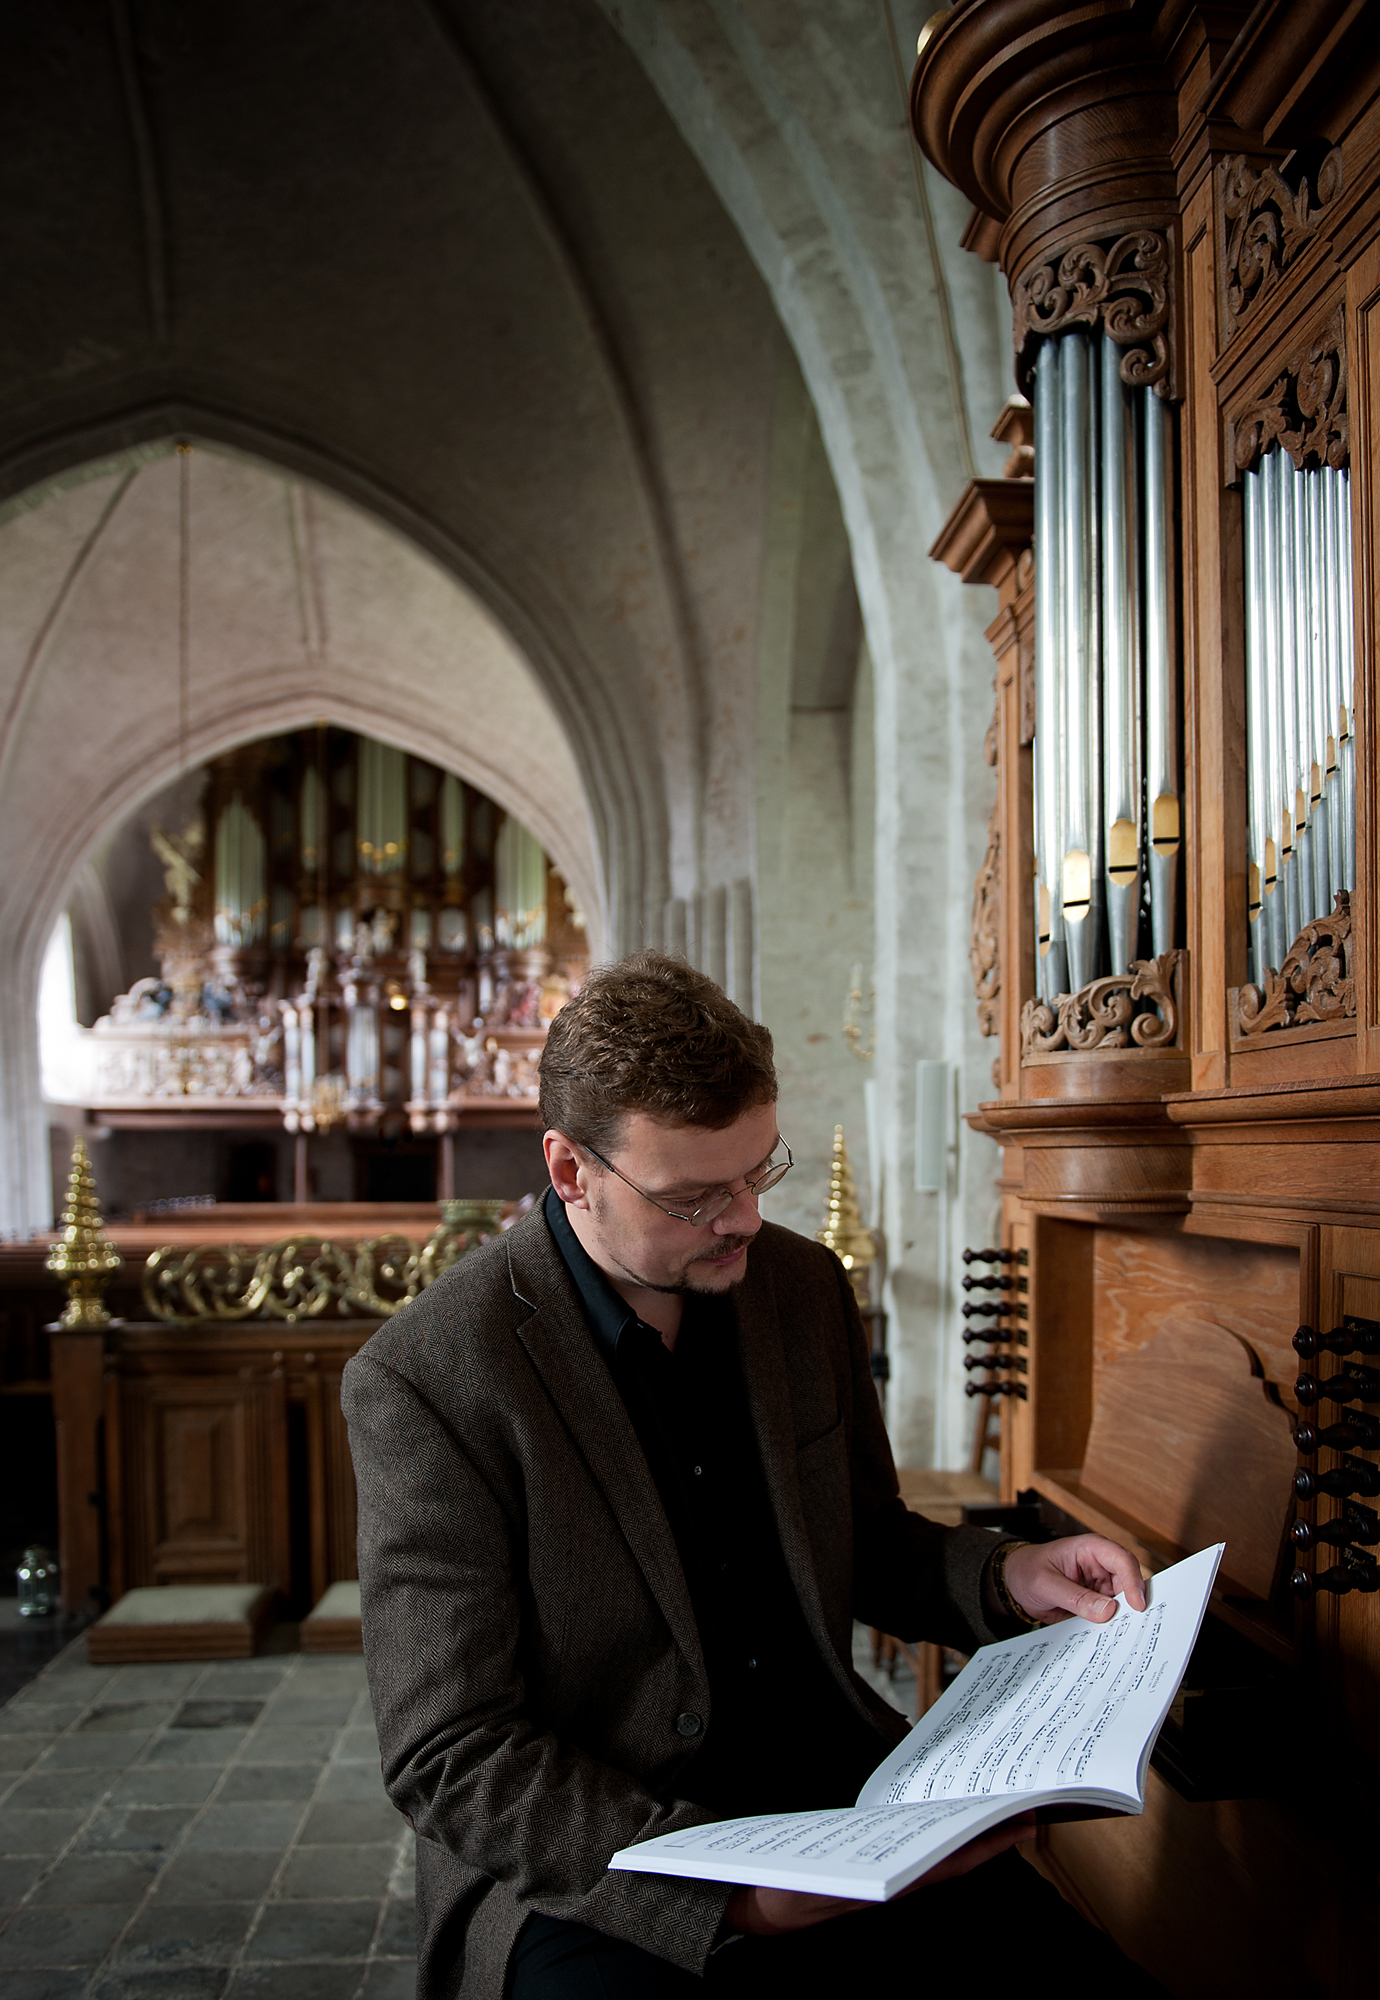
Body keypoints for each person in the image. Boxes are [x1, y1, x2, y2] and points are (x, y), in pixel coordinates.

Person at [344, 953, 1162, 1998]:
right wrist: (730, 1896)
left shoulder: (801, 1285)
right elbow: (451, 1751)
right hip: (601, 1858)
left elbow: (863, 1536)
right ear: (569, 1170)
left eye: (755, 1172)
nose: (738, 1218)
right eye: (692, 1196)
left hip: (843, 1794)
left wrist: (1010, 1575)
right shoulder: (430, 1376)